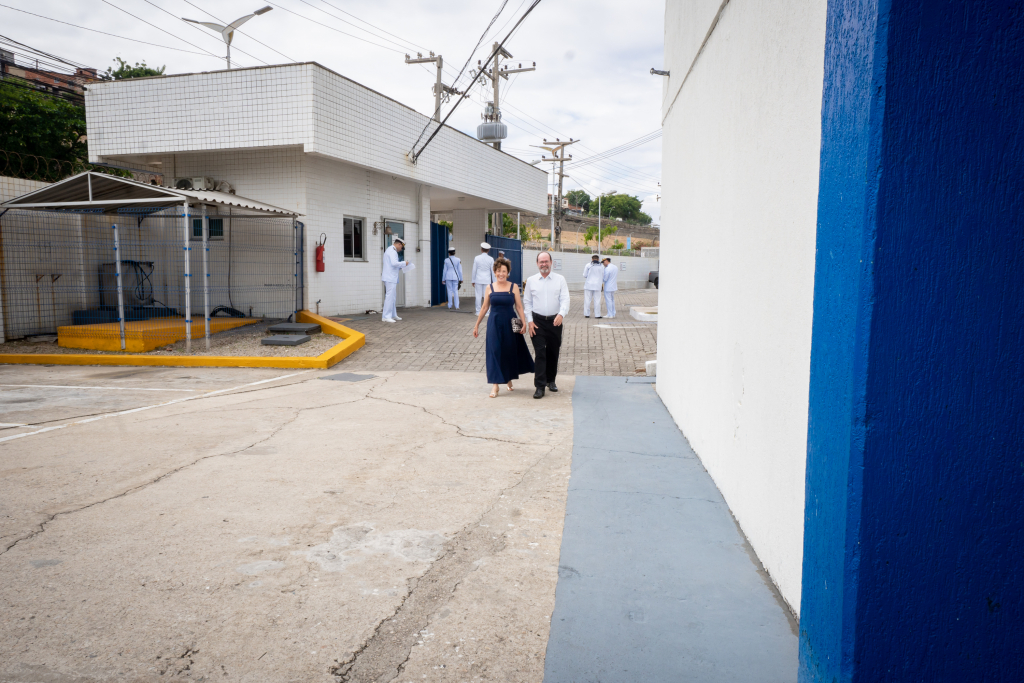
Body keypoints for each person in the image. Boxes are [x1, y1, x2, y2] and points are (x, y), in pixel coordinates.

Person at [473, 257, 535, 398]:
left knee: (508, 351)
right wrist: (476, 325)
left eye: (504, 271)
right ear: (494, 272)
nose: (501, 274)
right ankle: (495, 385)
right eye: (498, 271)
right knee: (494, 351)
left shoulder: (513, 287)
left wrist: (524, 322)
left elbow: (519, 307)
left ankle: (508, 378)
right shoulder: (490, 287)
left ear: (508, 273)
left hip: (510, 322)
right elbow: (484, 307)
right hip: (494, 323)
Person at [523, 251, 570, 399]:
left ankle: (551, 380)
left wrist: (561, 314)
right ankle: (540, 386)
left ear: (551, 262)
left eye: (546, 261)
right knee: (540, 353)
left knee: (553, 351)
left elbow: (565, 299)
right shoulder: (531, 281)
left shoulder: (560, 279)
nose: (544, 264)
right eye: (541, 262)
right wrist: (529, 321)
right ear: (537, 264)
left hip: (555, 321)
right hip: (537, 322)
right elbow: (527, 302)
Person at [381, 236, 410, 323]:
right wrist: (404, 263)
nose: (401, 249)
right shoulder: (392, 251)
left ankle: (393, 314)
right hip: (390, 277)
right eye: (401, 247)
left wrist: (401, 266)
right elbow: (394, 263)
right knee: (390, 297)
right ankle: (386, 316)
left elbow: (392, 265)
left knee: (392, 297)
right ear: (399, 244)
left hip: (390, 277)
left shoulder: (390, 250)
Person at [472, 242, 495, 315]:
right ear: (488, 250)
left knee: (478, 296)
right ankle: (487, 312)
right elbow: (493, 271)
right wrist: (494, 282)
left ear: (481, 249)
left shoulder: (476, 258)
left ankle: (478, 311)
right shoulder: (491, 259)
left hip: (478, 279)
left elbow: (474, 270)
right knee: (487, 296)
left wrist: (473, 280)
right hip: (487, 280)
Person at [583, 253, 604, 318]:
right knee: (597, 300)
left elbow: (584, 275)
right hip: (597, 285)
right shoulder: (602, 266)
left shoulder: (588, 265)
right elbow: (603, 275)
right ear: (598, 259)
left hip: (589, 285)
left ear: (592, 259)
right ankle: (597, 315)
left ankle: (587, 314)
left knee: (587, 300)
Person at [442, 246, 463, 311]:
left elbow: (444, 270)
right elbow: (460, 270)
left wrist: (443, 279)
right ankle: (457, 306)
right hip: (456, 277)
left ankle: (450, 305)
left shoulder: (446, 260)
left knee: (449, 291)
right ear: (454, 252)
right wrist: (461, 278)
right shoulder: (458, 260)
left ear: (449, 253)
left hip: (448, 277)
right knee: (455, 291)